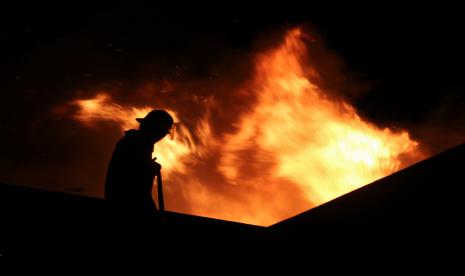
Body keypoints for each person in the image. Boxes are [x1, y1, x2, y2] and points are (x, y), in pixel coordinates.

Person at [105, 109, 174, 222]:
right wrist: (150, 168)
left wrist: (149, 166)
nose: (161, 136)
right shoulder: (137, 143)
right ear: (155, 129)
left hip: (125, 205)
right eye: (161, 131)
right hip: (127, 208)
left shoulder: (137, 142)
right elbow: (132, 182)